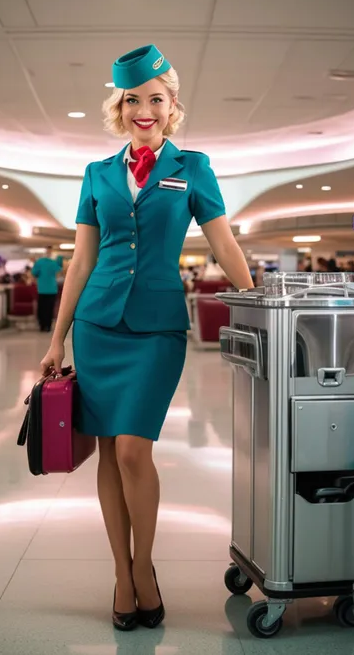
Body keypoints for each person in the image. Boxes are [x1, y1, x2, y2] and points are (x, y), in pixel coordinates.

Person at [39, 44, 253, 632]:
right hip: (98, 325)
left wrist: (257, 300)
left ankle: (144, 565)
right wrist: (58, 339)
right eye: (132, 99)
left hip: (157, 328)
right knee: (108, 450)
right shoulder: (97, 174)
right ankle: (121, 575)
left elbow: (223, 242)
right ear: (120, 106)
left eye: (154, 99)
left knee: (134, 448)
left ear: (171, 105)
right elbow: (81, 262)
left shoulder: (192, 168)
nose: (144, 109)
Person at [32, 247, 61, 332]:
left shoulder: (39, 262)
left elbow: (34, 273)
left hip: (42, 289)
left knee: (42, 308)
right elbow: (58, 270)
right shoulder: (53, 262)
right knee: (50, 308)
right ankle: (48, 325)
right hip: (52, 289)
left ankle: (42, 325)